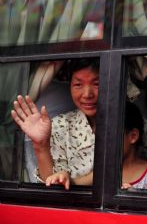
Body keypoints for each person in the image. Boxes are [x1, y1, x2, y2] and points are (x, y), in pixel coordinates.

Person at [11, 59, 99, 189]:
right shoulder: (60, 125)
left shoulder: (125, 121)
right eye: (78, 85)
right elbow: (53, 184)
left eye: (97, 84)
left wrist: (74, 182)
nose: (87, 94)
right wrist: (41, 145)